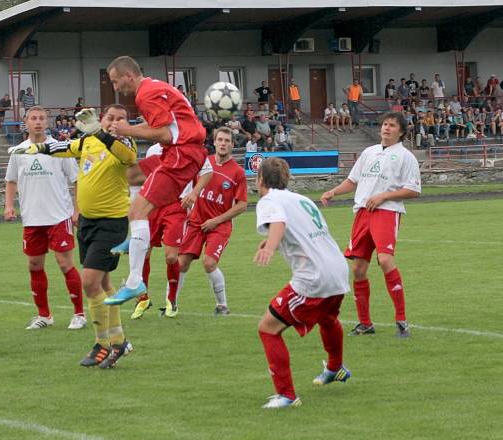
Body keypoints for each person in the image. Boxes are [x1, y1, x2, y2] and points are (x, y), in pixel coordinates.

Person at [11, 105, 137, 367]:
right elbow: (62, 149)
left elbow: (128, 158)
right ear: (101, 120)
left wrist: (99, 133)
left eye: (120, 118)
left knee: (89, 282)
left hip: (111, 223)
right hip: (89, 224)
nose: (114, 122)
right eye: (109, 118)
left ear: (126, 123)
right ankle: (119, 340)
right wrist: (36, 149)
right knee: (102, 284)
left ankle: (102, 344)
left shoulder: (125, 143)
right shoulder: (87, 142)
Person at [101, 56, 208, 305]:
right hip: (181, 153)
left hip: (180, 154)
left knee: (137, 211)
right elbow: (161, 125)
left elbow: (164, 134)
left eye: (116, 82)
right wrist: (132, 128)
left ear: (129, 76)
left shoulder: (145, 94)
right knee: (133, 176)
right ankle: (136, 241)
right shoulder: (155, 86)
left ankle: (134, 282)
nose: (116, 88)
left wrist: (127, 130)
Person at [254, 158, 351, 409]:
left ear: (261, 180)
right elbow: (303, 230)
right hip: (338, 270)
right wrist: (271, 242)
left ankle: (286, 395)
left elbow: (279, 223)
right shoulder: (302, 199)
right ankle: (335, 367)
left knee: (268, 328)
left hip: (313, 277)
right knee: (328, 319)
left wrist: (271, 246)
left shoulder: (269, 200)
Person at [320, 111, 421, 338]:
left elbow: (414, 189)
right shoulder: (369, 152)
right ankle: (365, 323)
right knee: (357, 269)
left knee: (385, 260)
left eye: (392, 125)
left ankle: (402, 321)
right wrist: (334, 191)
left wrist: (384, 196)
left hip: (386, 212)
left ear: (401, 131)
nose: (386, 128)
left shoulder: (406, 157)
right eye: (384, 124)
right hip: (362, 213)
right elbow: (353, 181)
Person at [4, 106, 85, 330]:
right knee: (34, 264)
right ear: (26, 123)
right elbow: (11, 181)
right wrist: (9, 206)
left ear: (47, 122)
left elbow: (77, 179)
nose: (37, 122)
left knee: (64, 263)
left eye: (41, 118)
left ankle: (79, 313)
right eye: (33, 118)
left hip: (59, 215)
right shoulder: (18, 151)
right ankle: (44, 315)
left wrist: (77, 210)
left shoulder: (59, 148)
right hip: (32, 218)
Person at [129, 143, 213, 319]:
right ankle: (143, 298)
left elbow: (207, 172)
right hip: (154, 204)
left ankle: (172, 299)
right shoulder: (153, 150)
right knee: (144, 251)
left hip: (176, 205)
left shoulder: (189, 148)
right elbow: (145, 179)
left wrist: (194, 193)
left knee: (172, 256)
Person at [176, 128, 248, 315]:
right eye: (220, 140)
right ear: (214, 142)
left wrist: (216, 220)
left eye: (227, 141)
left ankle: (222, 305)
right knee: (180, 263)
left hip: (220, 225)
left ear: (233, 145)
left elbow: (242, 205)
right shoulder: (203, 163)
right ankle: (171, 305)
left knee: (209, 263)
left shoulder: (237, 172)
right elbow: (188, 185)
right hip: (196, 222)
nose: (223, 143)